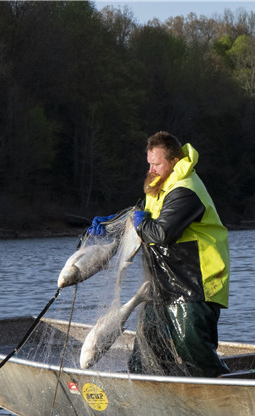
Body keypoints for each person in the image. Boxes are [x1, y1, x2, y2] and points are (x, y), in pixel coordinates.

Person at [88, 131, 230, 377]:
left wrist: (140, 223)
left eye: (156, 164)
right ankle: (155, 391)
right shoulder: (158, 187)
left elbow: (162, 233)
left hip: (195, 284)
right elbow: (142, 218)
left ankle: (226, 392)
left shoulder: (186, 190)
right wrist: (114, 224)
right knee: (147, 348)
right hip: (161, 285)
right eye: (149, 164)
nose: (151, 169)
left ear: (174, 161)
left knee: (192, 349)